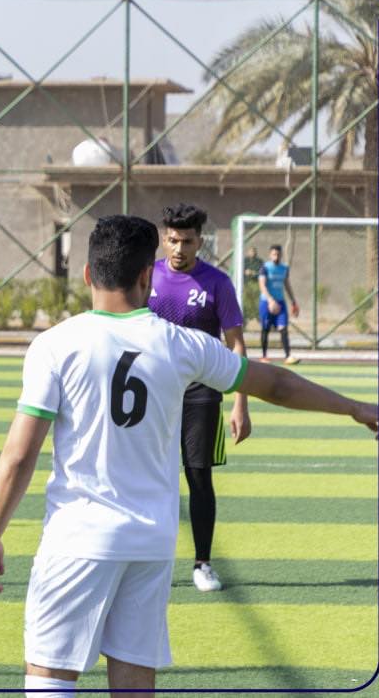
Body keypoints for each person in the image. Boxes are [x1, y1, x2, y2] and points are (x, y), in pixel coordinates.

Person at [0, 215, 379, 696]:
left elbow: (19, 455)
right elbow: (275, 382)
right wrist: (355, 407)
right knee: (134, 681)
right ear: (147, 276)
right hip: (150, 543)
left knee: (49, 676)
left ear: (87, 274)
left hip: (77, 539)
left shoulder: (55, 345)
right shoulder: (182, 344)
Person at [148, 203, 249, 592]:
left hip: (201, 393)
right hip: (154, 391)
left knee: (198, 476)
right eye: (173, 240)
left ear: (199, 241)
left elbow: (236, 344)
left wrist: (240, 402)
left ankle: (202, 564)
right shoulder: (146, 276)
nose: (179, 249)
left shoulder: (217, 283)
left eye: (187, 241)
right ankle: (148, 562)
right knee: (149, 476)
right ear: (164, 239)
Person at [258, 244, 300, 364]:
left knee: (283, 328)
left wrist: (293, 301)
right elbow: (262, 285)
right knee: (265, 328)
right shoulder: (265, 268)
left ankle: (288, 356)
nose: (276, 256)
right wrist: (270, 300)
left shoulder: (284, 268)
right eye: (274, 254)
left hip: (280, 302)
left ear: (281, 255)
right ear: (270, 255)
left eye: (278, 254)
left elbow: (287, 285)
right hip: (266, 302)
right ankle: (264, 356)